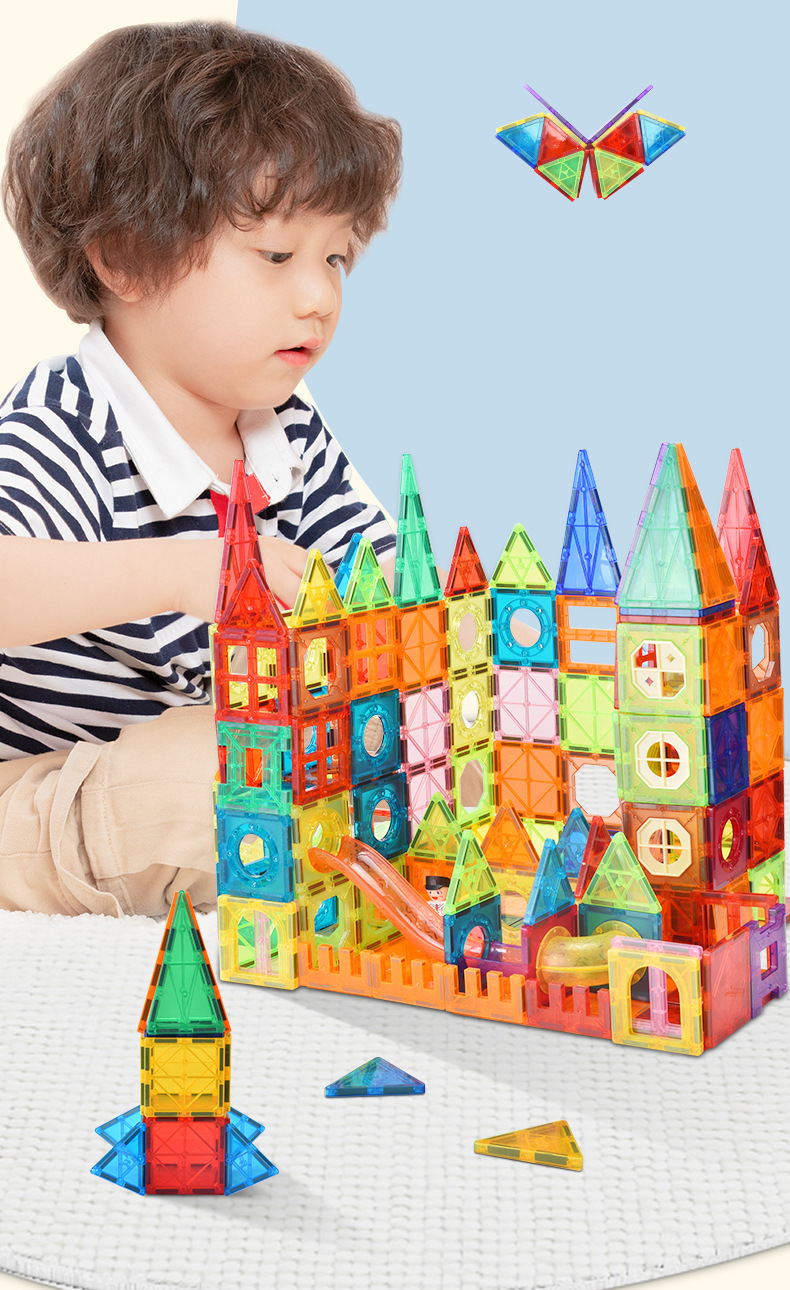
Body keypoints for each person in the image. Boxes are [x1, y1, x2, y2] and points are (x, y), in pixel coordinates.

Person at [0, 21, 401, 918]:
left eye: (336, 257)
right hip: (42, 793)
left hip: (227, 760)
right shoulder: (65, 424)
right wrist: (189, 571)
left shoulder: (286, 433)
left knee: (364, 742)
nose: (320, 296)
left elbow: (374, 587)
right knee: (206, 773)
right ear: (125, 258)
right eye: (277, 256)